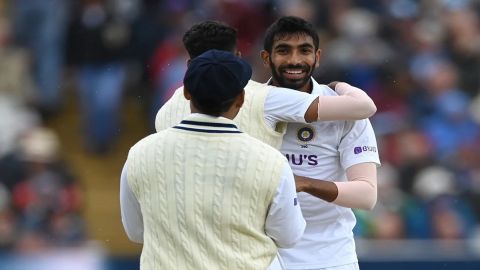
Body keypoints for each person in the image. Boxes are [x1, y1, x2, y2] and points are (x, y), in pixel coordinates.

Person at [120, 49, 306, 270]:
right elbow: (289, 236)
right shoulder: (271, 161)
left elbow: (136, 232)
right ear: (241, 98)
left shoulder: (140, 153)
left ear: (187, 92)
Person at [260, 16, 381, 270]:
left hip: (330, 256)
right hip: (262, 255)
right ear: (265, 58)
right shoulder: (248, 104)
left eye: (304, 51)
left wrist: (304, 184)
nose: (294, 60)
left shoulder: (346, 111)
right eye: (283, 51)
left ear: (317, 57)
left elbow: (367, 195)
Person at [155, 20, 377, 150]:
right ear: (238, 56)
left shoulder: (164, 114)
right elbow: (364, 107)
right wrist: (340, 86)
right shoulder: (265, 97)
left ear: (189, 64)